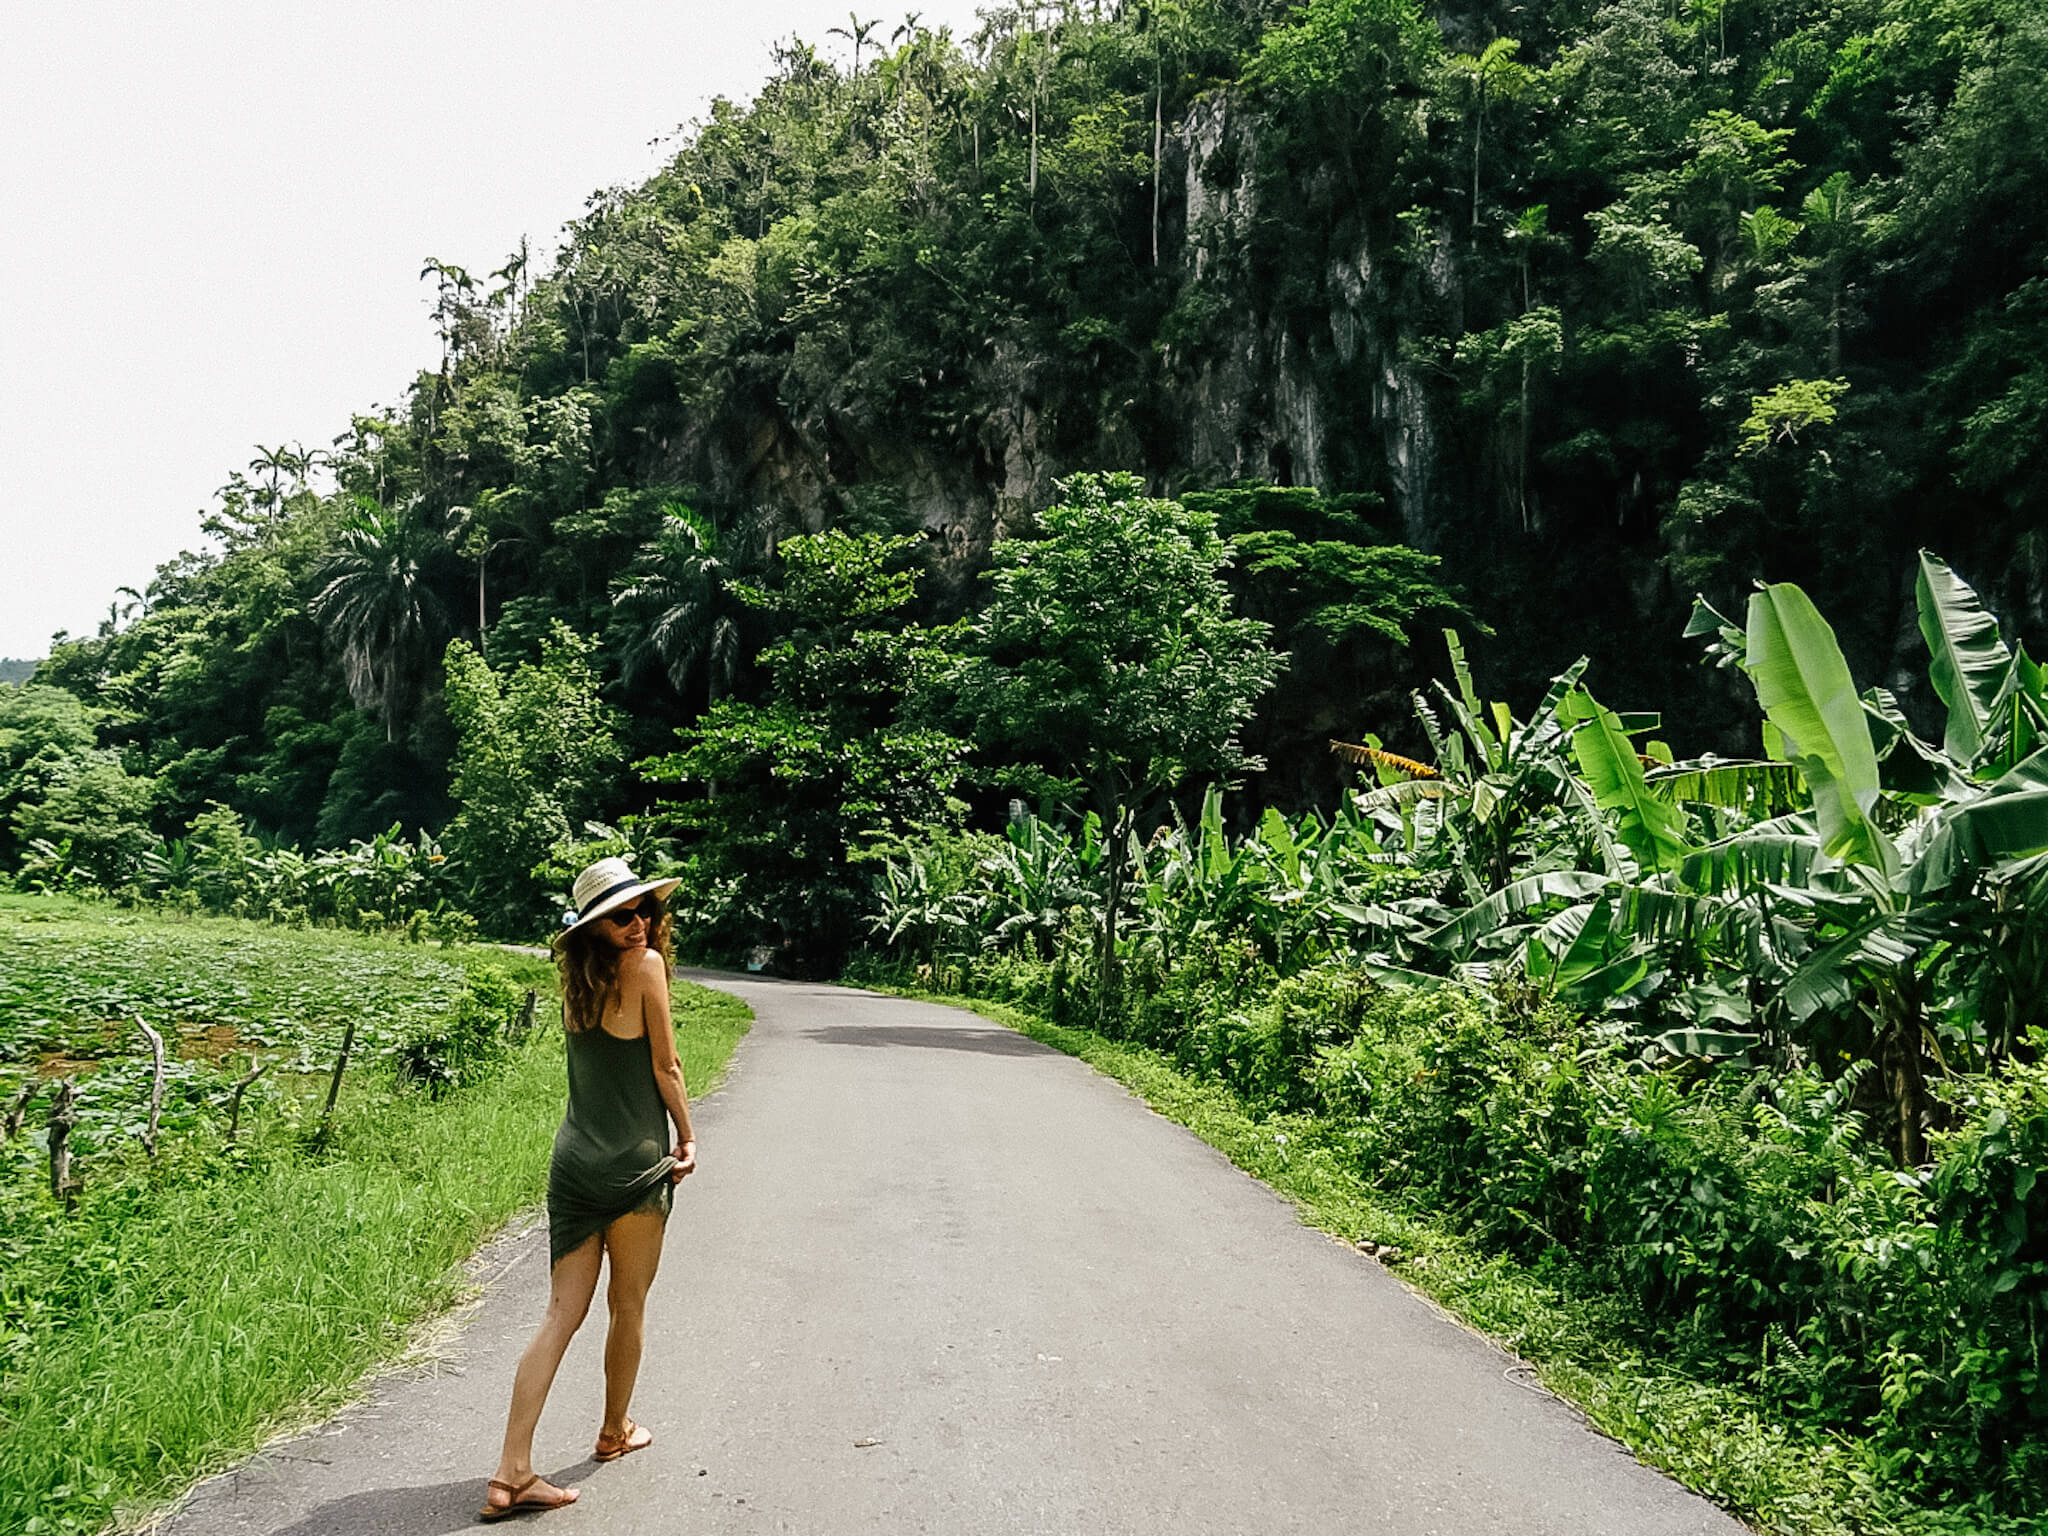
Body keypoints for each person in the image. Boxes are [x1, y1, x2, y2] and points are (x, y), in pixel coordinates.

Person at [479, 857, 698, 1522]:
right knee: (626, 1306)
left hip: (573, 1162)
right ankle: (614, 1430)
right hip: (634, 1166)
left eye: (644, 913)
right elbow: (667, 1064)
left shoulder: (574, 979)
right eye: (621, 917)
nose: (639, 926)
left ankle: (509, 1472)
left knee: (558, 1316)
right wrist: (688, 1136)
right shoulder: (647, 969)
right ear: (596, 927)